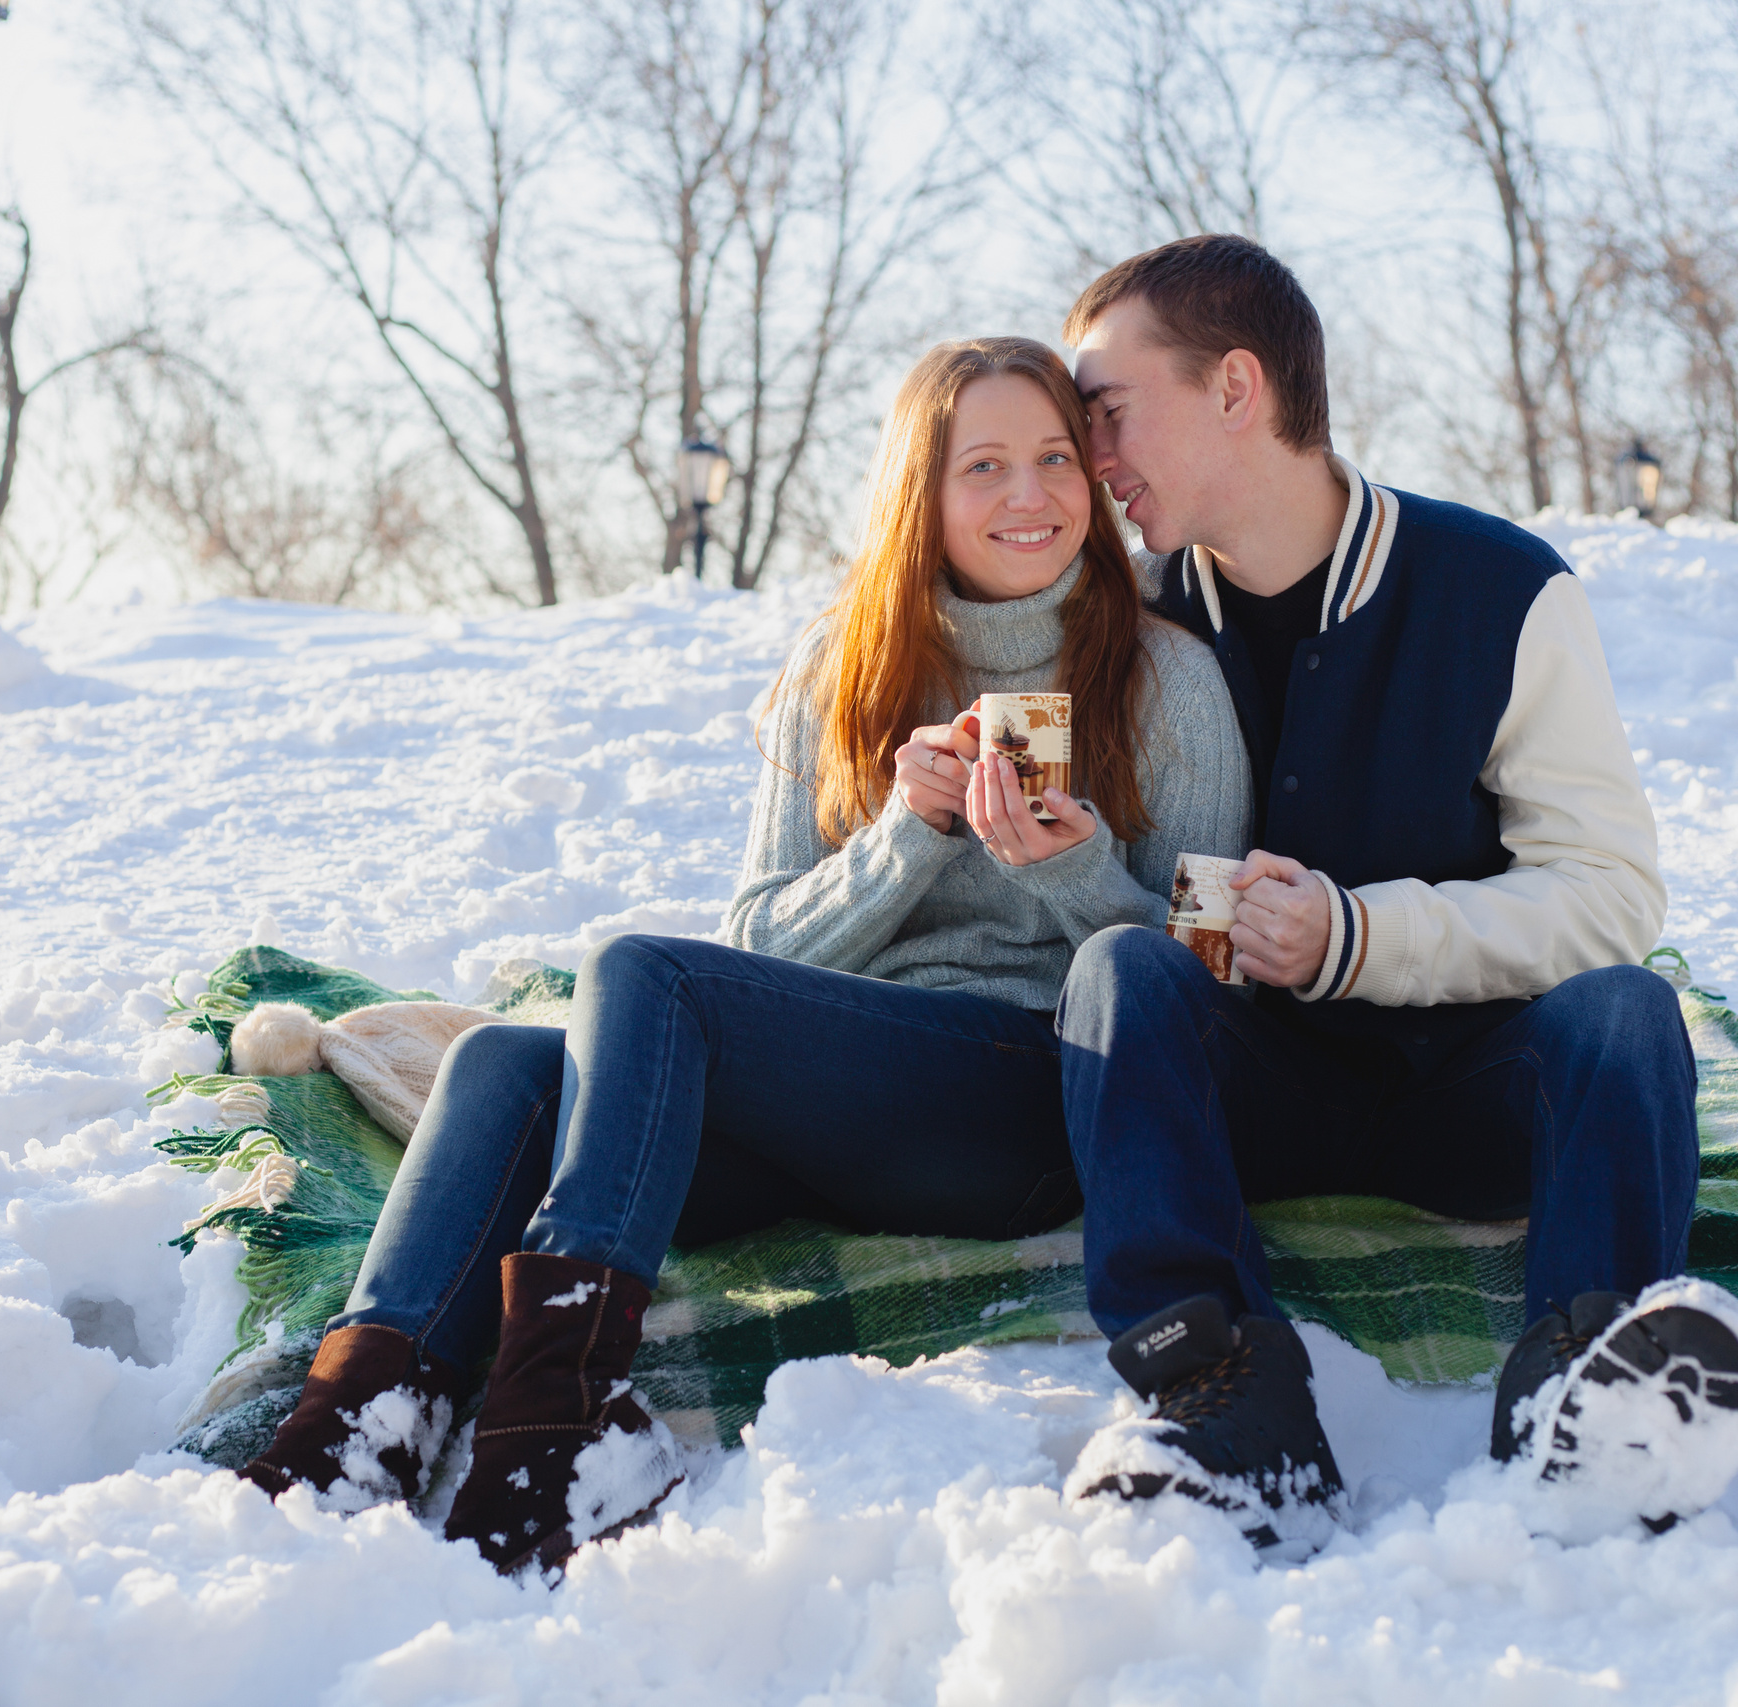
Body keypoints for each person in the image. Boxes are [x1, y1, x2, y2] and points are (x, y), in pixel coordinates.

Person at [237, 336, 1253, 1575]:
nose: (1030, 496)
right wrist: (906, 837)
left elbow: (1206, 970)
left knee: (640, 971)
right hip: (836, 1106)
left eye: (1053, 458)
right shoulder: (848, 666)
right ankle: (363, 1417)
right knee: (507, 1065)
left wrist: (1077, 874)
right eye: (983, 465)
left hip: (1024, 1102)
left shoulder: (1171, 679)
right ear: (920, 493)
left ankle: (561, 1408)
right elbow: (759, 939)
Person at [1053, 235, 1738, 1556]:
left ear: (1236, 389)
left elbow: (1608, 891)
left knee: (1626, 1012)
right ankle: (1223, 1398)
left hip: (1470, 1091)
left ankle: (1586, 1390)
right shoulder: (1130, 620)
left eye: (1109, 411)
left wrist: (1358, 933)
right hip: (1250, 1092)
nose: (1093, 455)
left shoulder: (1500, 589)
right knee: (1118, 975)